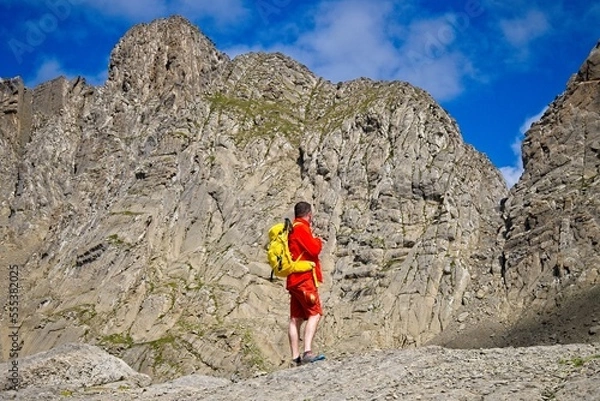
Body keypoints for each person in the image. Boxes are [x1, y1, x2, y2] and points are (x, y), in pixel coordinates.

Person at [286, 201, 325, 365]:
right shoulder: (302, 228)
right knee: (314, 313)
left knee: (295, 318)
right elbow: (314, 250)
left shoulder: (290, 229)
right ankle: (307, 352)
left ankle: (295, 357)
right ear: (309, 214)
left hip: (293, 279)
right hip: (304, 280)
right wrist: (318, 241)